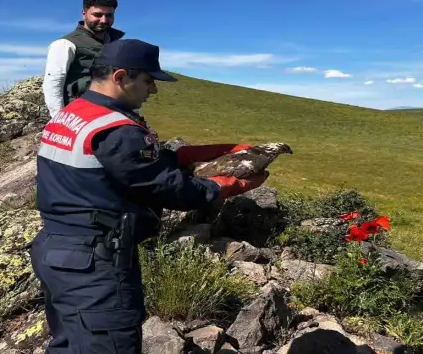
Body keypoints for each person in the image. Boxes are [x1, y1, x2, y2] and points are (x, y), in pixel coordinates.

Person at [29, 38, 269, 353]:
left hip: (58, 251)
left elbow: (131, 165)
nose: (152, 91)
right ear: (120, 77)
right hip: (94, 263)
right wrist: (227, 185)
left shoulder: (74, 113)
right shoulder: (115, 128)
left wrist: (197, 153)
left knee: (70, 343)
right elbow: (165, 186)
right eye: (147, 81)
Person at [42, 0, 126, 119]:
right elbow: (53, 82)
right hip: (80, 114)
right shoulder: (65, 44)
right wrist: (59, 119)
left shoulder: (116, 44)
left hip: (112, 112)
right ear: (84, 13)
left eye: (109, 15)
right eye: (97, 15)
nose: (103, 20)